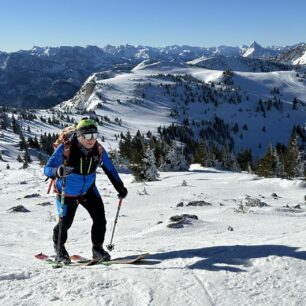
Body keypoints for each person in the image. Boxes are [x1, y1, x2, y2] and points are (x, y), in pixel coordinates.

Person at [44, 118, 128, 264]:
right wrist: (57, 171)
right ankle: (60, 250)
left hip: (89, 191)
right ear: (79, 135)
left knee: (100, 219)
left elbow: (110, 168)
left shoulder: (99, 149)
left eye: (94, 135)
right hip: (67, 192)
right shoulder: (65, 148)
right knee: (65, 223)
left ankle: (97, 249)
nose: (91, 139)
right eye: (87, 136)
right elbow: (47, 169)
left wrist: (119, 186)